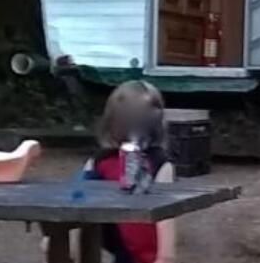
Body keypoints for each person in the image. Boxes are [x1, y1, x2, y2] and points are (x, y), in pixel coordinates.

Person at [45, 81, 177, 263]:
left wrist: (164, 257)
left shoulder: (158, 163)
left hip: (144, 248)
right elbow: (76, 197)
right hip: (113, 236)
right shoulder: (101, 161)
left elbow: (165, 218)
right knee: (74, 214)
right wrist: (58, 233)